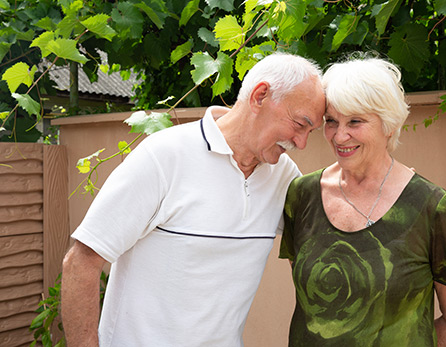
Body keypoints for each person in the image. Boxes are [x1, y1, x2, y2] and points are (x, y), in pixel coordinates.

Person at [61, 52, 326, 347]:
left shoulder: (283, 175)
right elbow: (81, 262)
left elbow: (311, 255)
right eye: (300, 124)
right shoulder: (164, 156)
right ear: (260, 96)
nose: (301, 143)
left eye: (310, 132)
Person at [279, 54, 446, 347]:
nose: (339, 136)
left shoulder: (431, 206)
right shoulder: (302, 194)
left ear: (388, 124)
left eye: (355, 121)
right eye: (331, 121)